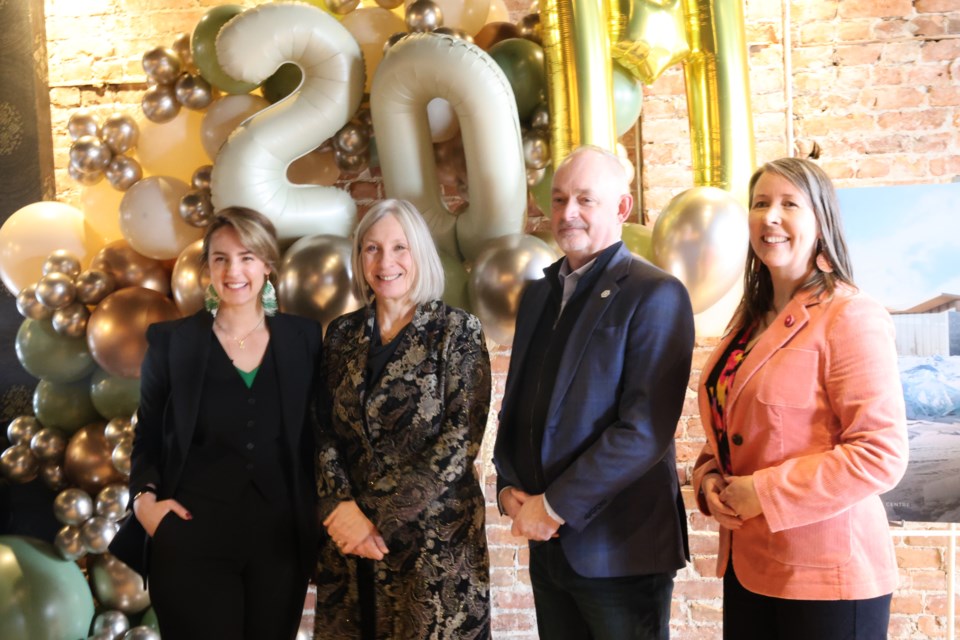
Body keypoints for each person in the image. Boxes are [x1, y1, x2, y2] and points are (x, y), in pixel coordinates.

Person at [692, 157, 908, 639]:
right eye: (760, 203)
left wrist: (763, 493)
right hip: (749, 567)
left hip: (829, 581)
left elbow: (881, 455)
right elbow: (734, 433)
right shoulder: (748, 323)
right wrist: (709, 479)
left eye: (789, 203)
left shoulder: (850, 315)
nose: (770, 215)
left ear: (821, 222)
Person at [493, 145, 695, 640]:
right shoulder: (539, 294)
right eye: (560, 200)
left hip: (620, 553)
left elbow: (643, 431)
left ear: (622, 209)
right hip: (549, 547)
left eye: (586, 199)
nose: (568, 213)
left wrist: (554, 505)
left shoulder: (655, 293)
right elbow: (519, 406)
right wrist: (506, 488)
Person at [126, 207, 321, 639]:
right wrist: (144, 504)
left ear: (267, 264)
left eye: (248, 256)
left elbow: (318, 436)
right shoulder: (170, 342)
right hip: (191, 538)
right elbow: (148, 436)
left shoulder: (303, 338)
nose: (234, 270)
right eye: (221, 258)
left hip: (280, 544)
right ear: (208, 267)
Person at [314, 199, 491, 639]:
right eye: (371, 249)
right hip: (350, 547)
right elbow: (320, 429)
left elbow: (459, 443)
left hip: (433, 549)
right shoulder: (341, 334)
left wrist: (373, 516)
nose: (385, 261)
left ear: (420, 254)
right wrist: (338, 506)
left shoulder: (457, 331)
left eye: (399, 247)